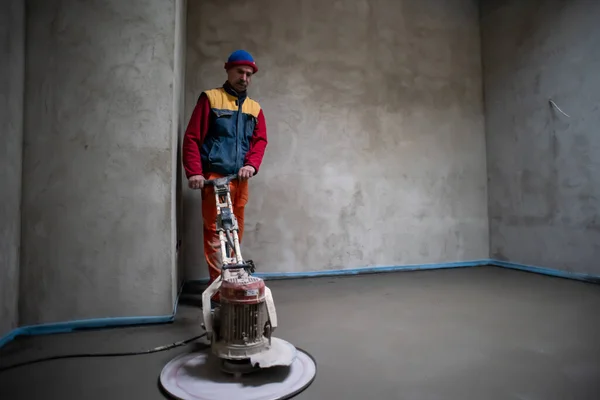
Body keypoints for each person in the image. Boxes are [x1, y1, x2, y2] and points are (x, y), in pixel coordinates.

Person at [182, 49, 268, 299]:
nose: (244, 78)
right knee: (215, 232)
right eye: (240, 72)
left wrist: (251, 165)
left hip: (239, 181)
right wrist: (194, 172)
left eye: (249, 74)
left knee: (235, 231)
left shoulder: (254, 108)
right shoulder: (210, 99)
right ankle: (220, 289)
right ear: (228, 70)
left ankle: (233, 279)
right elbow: (192, 138)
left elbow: (260, 141)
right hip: (213, 179)